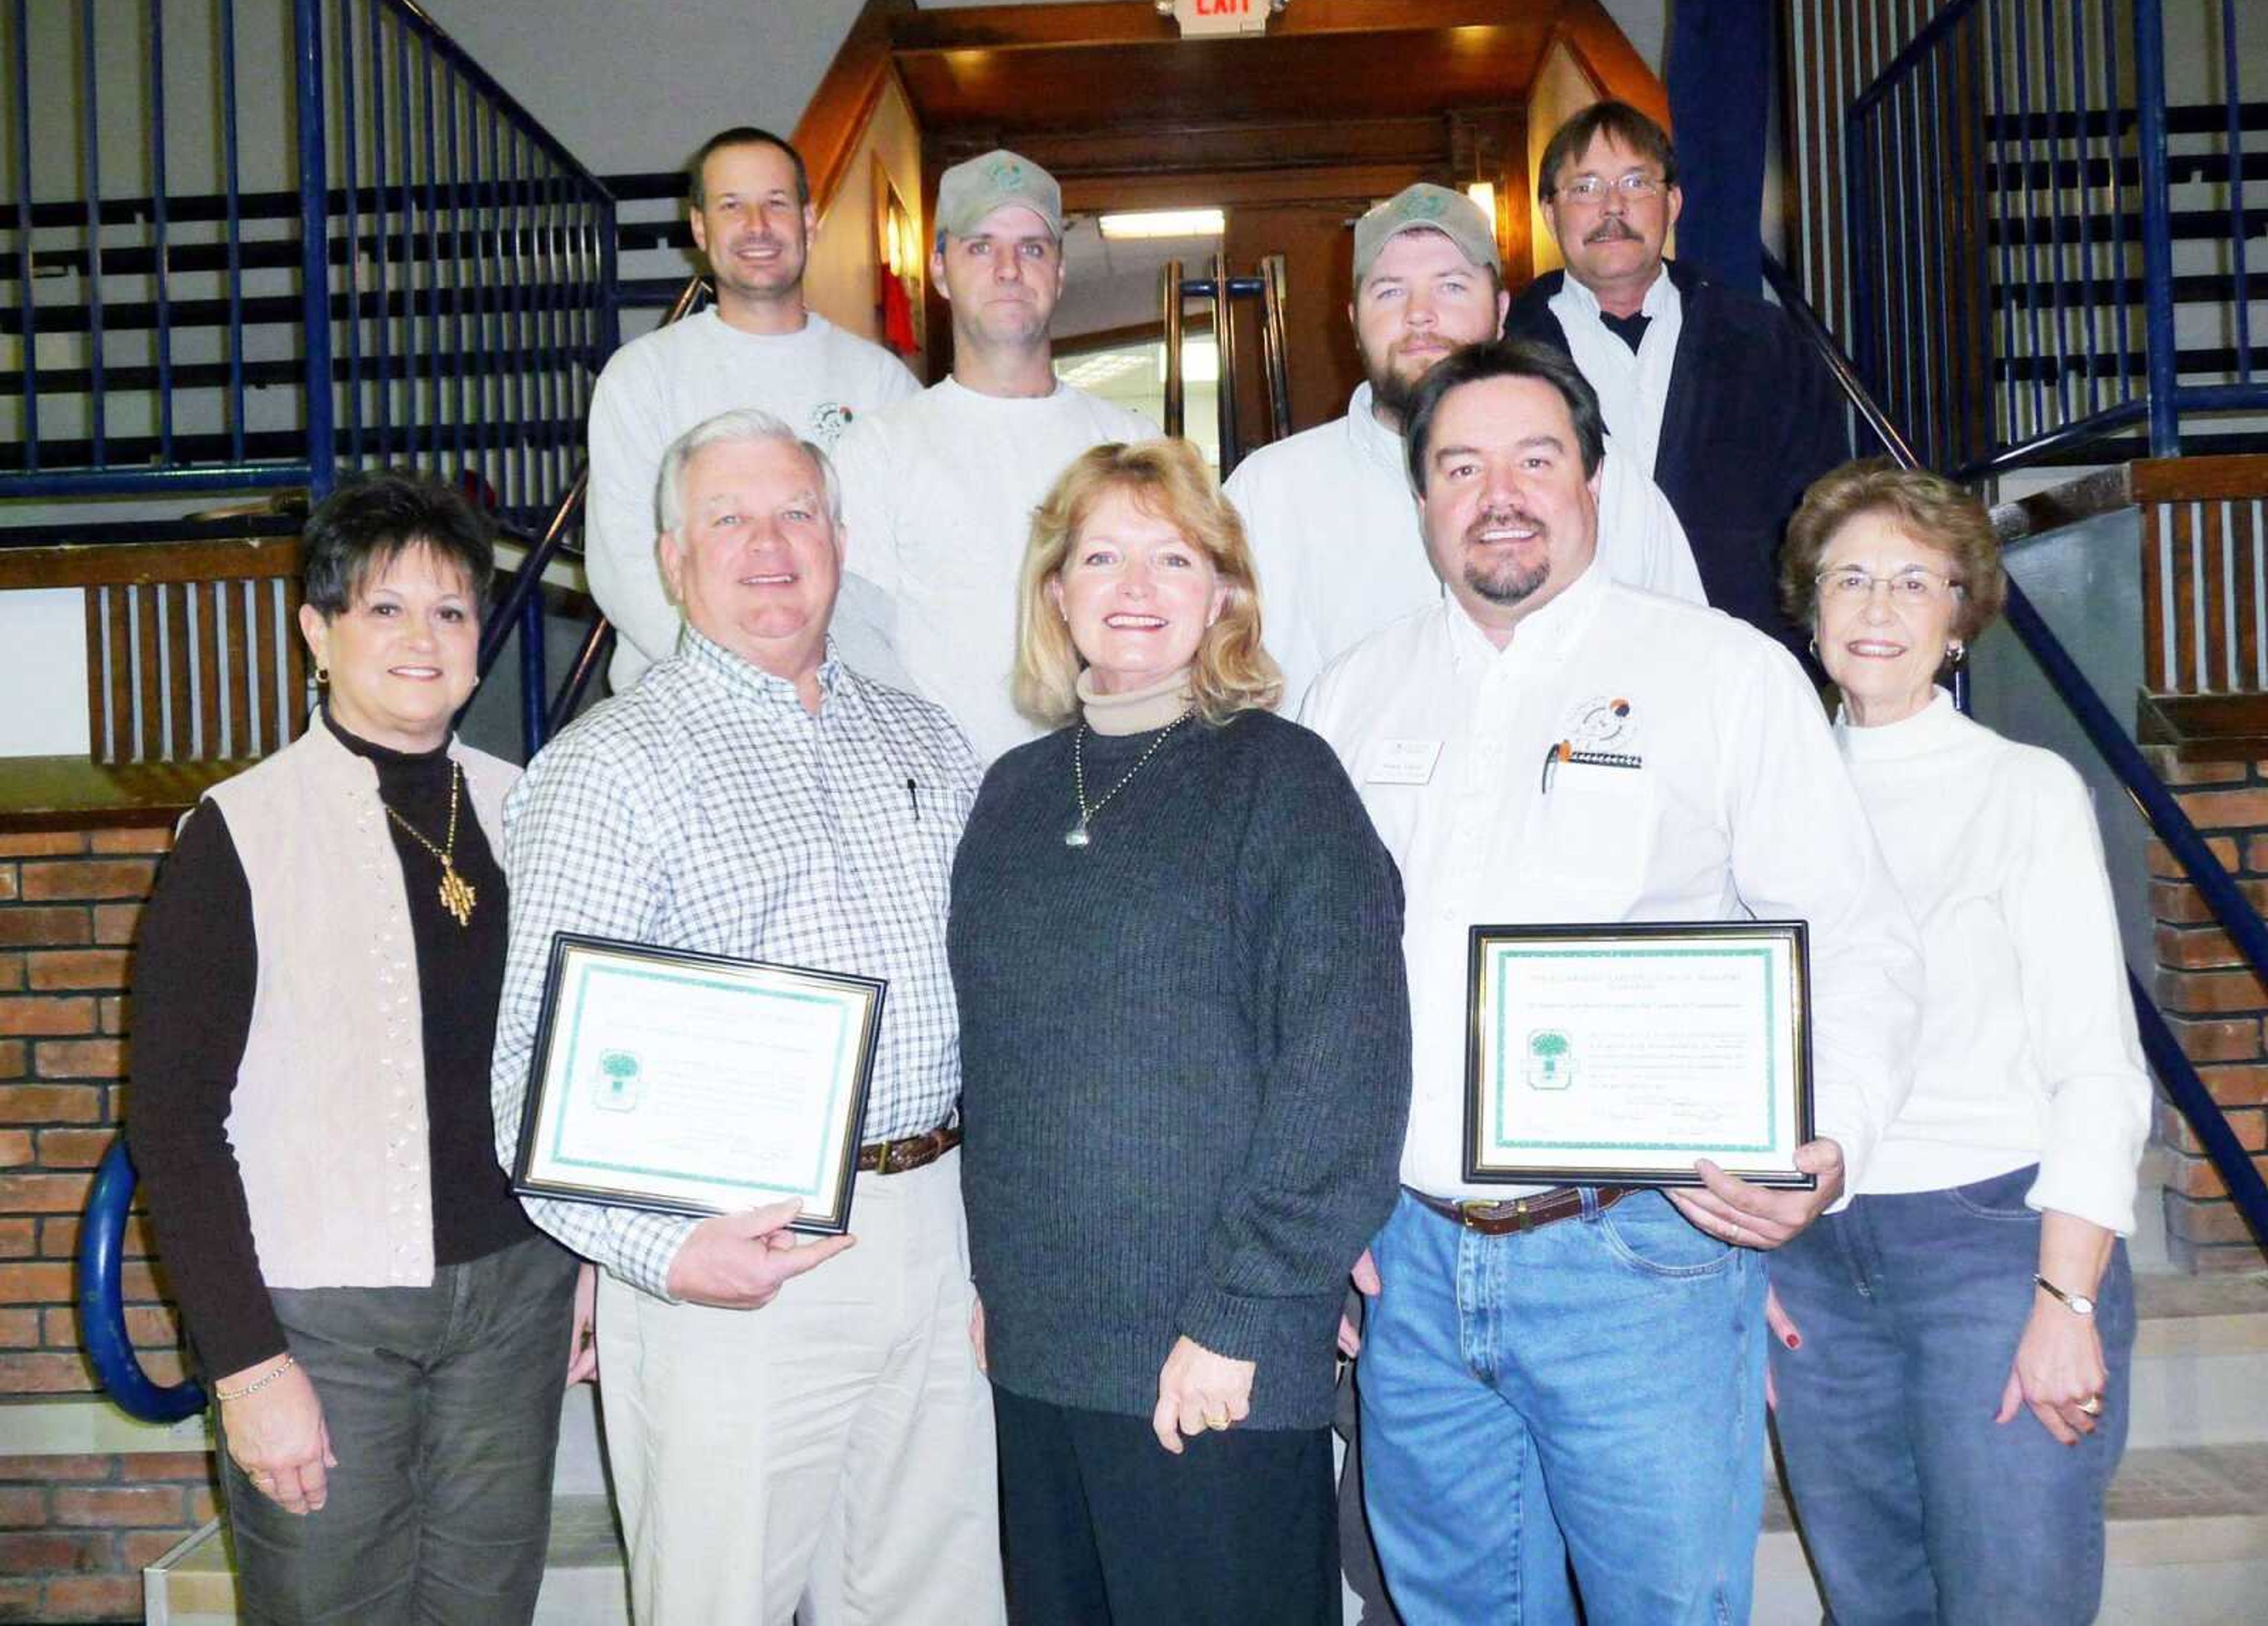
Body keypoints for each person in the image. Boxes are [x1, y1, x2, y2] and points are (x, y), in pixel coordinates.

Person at [1301, 340, 1923, 1625]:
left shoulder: (1723, 675)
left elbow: (1858, 937)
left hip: (1642, 1254)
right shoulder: (1351, 698)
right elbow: (1319, 986)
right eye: (1460, 467)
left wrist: (1834, 1136)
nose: (1500, 493)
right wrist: (1326, 1210)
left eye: (1537, 459)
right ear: (1421, 501)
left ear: (1595, 479)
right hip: (1410, 1264)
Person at [491, 408, 1002, 1626]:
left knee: (941, 1602)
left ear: (838, 537)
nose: (768, 544)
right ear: (671, 558)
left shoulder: (933, 740)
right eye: (727, 518)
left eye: (796, 512)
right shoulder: (608, 769)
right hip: (731, 1263)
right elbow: (528, 1072)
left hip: (939, 1240)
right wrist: (662, 1254)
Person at [950, 437, 1410, 1624]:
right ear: (1056, 592)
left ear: (1226, 595)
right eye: (1102, 556)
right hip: (1043, 1355)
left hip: (1213, 1358)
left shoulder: (1283, 781)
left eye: (1174, 557)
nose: (1137, 589)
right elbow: (1003, 1071)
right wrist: (1002, 1284)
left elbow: (1345, 1073)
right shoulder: (1010, 795)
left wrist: (1243, 1315)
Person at [128, 473, 580, 1624]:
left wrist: (587, 1268)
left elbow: (572, 1062)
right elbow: (176, 1125)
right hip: (321, 1324)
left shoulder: (532, 808)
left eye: (450, 610)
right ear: (316, 632)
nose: (422, 639)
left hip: (514, 1301)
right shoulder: (238, 830)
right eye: (385, 609)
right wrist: (246, 1366)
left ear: (481, 638)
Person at [1768, 461, 2150, 1624]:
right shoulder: (1764, 796)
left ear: (1958, 615)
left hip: (1994, 1252)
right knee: (1873, 1605)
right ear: (1811, 604)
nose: (1877, 608)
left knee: (2012, 1603)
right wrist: (1738, 1265)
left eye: (1911, 582)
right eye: (1851, 578)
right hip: (1813, 1265)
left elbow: (2097, 1063)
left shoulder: (2021, 792)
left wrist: (2066, 1301)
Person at [1226, 181, 1704, 708]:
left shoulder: (1604, 485)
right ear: (1353, 321)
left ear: (1501, 311)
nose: (1420, 314)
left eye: (1451, 286)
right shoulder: (1266, 495)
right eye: (1389, 291)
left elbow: (1685, 679)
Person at [833, 148, 1160, 761]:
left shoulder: (1134, 444)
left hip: (1107, 788)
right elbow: (857, 639)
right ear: (938, 269)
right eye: (981, 246)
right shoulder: (878, 449)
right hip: (943, 807)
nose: (1009, 269)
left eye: (1032, 248)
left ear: (1059, 273)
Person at [1507, 99, 1852, 655]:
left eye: (1636, 182)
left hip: (1738, 660)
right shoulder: (1501, 358)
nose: (1612, 207)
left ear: (1673, 202)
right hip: (1559, 660)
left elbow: (1826, 512)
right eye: (1586, 188)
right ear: (1550, 212)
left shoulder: (1769, 345)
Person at [585, 125, 918, 695]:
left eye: (776, 204)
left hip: (844, 706)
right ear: (699, 227)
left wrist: (827, 686)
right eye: (732, 206)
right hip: (684, 705)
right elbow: (625, 564)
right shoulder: (642, 376)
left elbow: (901, 564)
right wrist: (738, 685)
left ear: (809, 222)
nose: (757, 227)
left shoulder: (881, 382)